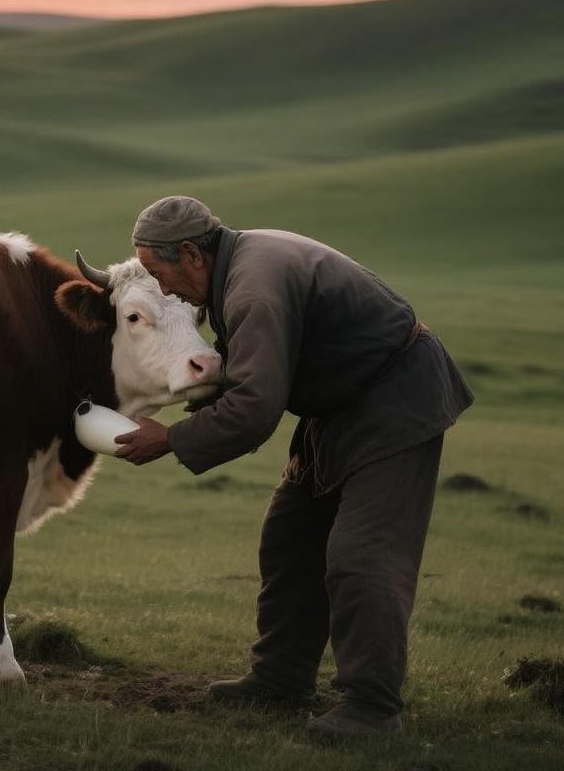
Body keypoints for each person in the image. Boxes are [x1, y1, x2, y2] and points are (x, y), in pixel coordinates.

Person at [113, 196, 473, 738]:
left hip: (395, 401)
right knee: (290, 538)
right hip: (339, 407)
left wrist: (171, 439)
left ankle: (373, 708)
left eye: (159, 273)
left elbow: (256, 407)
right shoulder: (239, 265)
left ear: (191, 254)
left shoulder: (253, 288)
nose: (163, 289)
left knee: (363, 556)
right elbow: (255, 374)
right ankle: (281, 678)